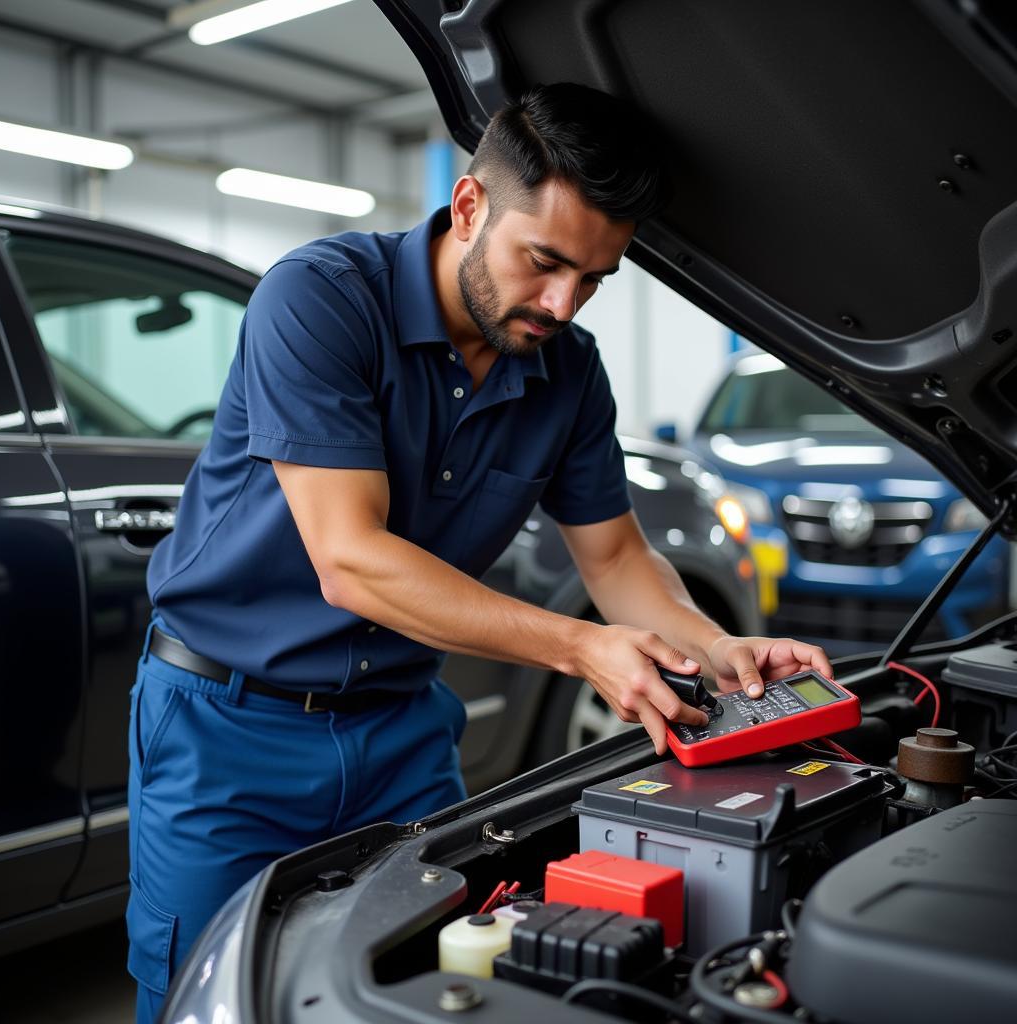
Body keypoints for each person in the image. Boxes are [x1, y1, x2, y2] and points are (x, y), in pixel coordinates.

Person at [126, 82, 832, 1022]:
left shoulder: (568, 372)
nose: (562, 302)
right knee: (211, 996)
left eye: (593, 280)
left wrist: (714, 649)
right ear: (468, 207)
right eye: (544, 261)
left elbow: (617, 561)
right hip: (227, 731)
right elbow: (350, 558)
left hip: (402, 732)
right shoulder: (323, 300)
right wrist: (578, 648)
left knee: (438, 986)